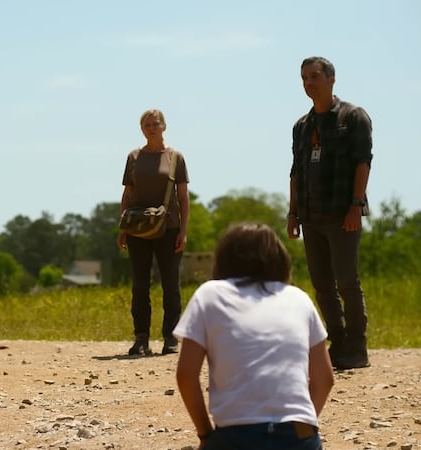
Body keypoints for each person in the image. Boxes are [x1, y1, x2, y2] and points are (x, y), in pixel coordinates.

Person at [175, 222, 335, 450]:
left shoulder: (210, 295)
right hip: (299, 435)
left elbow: (186, 376)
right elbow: (325, 379)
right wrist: (301, 423)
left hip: (236, 435)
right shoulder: (299, 299)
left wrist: (205, 435)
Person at [287, 56, 373, 370]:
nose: (309, 83)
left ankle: (357, 346)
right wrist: (293, 213)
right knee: (322, 284)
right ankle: (337, 343)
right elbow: (295, 172)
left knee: (347, 281)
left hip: (342, 214)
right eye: (304, 78)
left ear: (331, 79)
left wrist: (355, 205)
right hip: (311, 216)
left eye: (314, 77)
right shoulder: (302, 125)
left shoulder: (353, 117)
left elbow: (363, 162)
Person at [117, 109, 189, 356]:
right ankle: (141, 338)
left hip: (168, 228)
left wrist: (184, 231)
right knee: (140, 285)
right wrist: (122, 227)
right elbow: (127, 193)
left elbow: (183, 197)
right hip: (137, 228)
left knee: (170, 284)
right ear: (142, 129)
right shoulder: (134, 157)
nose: (151, 127)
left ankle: (170, 337)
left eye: (155, 123)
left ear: (164, 126)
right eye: (147, 124)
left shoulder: (175, 157)